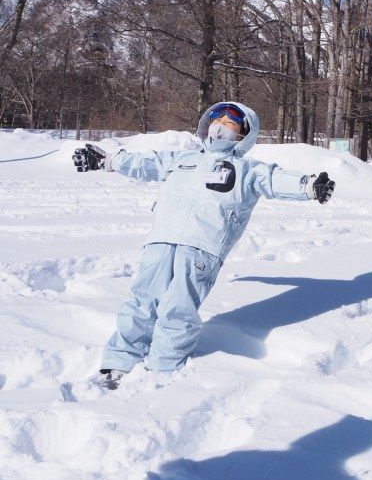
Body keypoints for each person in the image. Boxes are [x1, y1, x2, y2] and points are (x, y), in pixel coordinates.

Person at [72, 101, 336, 389]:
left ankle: (161, 368)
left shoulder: (247, 168)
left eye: (231, 122)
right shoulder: (183, 159)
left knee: (178, 307)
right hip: (161, 240)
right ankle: (119, 361)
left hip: (202, 248)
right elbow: (147, 163)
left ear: (243, 134)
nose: (221, 126)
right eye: (216, 119)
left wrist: (309, 185)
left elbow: (274, 178)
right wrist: (107, 160)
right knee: (142, 300)